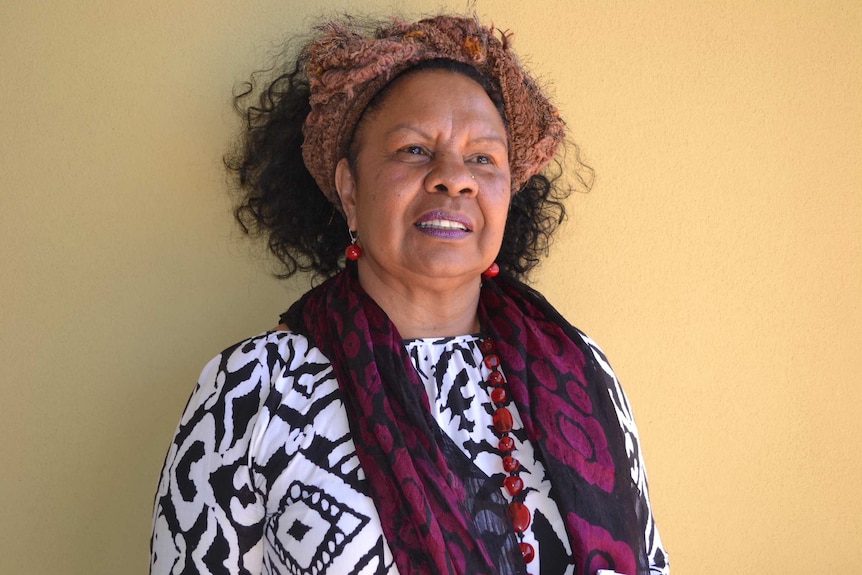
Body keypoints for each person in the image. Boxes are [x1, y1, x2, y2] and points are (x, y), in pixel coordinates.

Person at [150, 14, 669, 575]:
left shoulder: (580, 368)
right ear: (349, 188)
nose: (455, 177)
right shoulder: (257, 391)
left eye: (483, 158)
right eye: (415, 150)